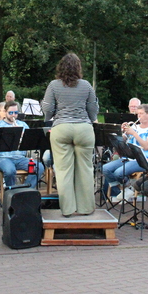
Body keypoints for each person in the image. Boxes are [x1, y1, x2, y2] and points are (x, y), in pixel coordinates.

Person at [42, 53, 99, 217]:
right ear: (78, 68)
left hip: (61, 127)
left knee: (63, 171)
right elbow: (93, 109)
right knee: (86, 169)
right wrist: (91, 118)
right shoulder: (87, 85)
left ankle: (67, 210)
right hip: (84, 129)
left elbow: (47, 108)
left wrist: (49, 117)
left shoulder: (53, 85)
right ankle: (86, 208)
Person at [102, 104, 148, 202]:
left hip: (143, 159)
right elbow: (123, 141)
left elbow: (146, 146)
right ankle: (125, 189)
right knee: (105, 168)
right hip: (128, 157)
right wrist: (122, 133)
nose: (139, 116)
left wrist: (134, 133)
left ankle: (126, 190)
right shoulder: (134, 126)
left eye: (141, 114)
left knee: (119, 173)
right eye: (138, 114)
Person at [0, 101, 45, 188]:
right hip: (3, 158)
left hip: (20, 158)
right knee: (10, 171)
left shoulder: (23, 125)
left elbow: (30, 143)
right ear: (5, 112)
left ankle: (25, 191)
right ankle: (12, 193)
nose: (13, 115)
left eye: (16, 113)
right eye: (11, 113)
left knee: (39, 167)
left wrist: (23, 137)